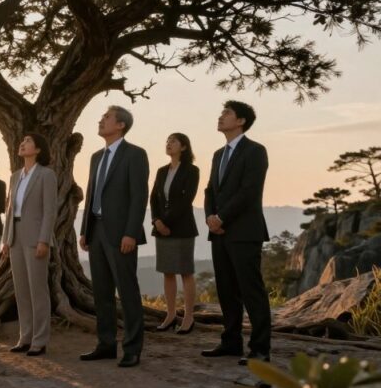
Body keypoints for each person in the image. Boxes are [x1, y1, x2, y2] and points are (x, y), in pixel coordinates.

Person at [78, 106, 150, 368]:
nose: (100, 120)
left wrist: (131, 232)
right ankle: (106, 344)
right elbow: (91, 194)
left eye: (106, 117)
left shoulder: (135, 154)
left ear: (120, 125)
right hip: (96, 231)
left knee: (127, 291)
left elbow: (139, 196)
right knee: (102, 293)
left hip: (121, 234)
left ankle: (132, 349)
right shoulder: (96, 156)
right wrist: (85, 229)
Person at [201, 101, 271, 365]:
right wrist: (210, 216)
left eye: (226, 113)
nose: (221, 117)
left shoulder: (255, 151)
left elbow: (249, 190)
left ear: (240, 121)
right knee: (226, 289)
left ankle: (260, 349)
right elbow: (210, 190)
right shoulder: (218, 154)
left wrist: (222, 217)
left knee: (251, 290)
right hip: (218, 232)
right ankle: (231, 343)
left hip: (244, 231)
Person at [1, 133, 57, 356]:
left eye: (27, 141)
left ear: (38, 149)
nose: (22, 144)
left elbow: (50, 210)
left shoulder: (46, 175)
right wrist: (6, 239)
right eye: (21, 141)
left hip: (35, 237)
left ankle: (40, 340)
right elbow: (9, 210)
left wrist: (44, 239)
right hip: (15, 235)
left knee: (37, 289)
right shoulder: (15, 177)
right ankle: (24, 336)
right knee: (21, 289)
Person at [149, 133, 200, 334]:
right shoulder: (162, 171)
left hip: (182, 227)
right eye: (167, 140)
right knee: (167, 271)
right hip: (161, 227)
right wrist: (156, 221)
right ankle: (170, 315)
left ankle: (188, 317)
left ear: (184, 147)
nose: (169, 143)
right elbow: (153, 198)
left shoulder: (192, 170)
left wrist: (166, 222)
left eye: (173, 141)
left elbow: (186, 200)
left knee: (185, 271)